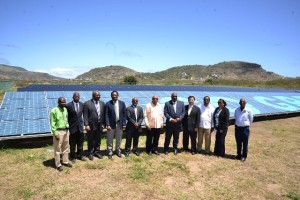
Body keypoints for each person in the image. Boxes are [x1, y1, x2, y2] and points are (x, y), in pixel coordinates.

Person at [50, 97, 72, 172]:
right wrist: (55, 133)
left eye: (64, 102)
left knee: (66, 147)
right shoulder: (54, 111)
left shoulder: (65, 110)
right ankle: (58, 164)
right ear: (58, 102)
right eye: (62, 102)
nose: (64, 104)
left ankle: (65, 161)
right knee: (57, 149)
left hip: (66, 131)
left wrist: (68, 130)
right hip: (59, 132)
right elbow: (52, 123)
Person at [83, 90, 105, 161]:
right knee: (90, 140)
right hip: (91, 125)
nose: (98, 96)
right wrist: (86, 124)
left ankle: (97, 152)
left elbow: (103, 115)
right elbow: (85, 115)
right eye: (97, 95)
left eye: (99, 95)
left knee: (98, 139)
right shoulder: (87, 103)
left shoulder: (102, 103)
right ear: (93, 96)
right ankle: (90, 153)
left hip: (100, 125)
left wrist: (103, 124)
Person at [105, 91, 126, 159]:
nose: (114, 96)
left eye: (115, 95)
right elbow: (106, 115)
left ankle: (117, 150)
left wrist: (124, 123)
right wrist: (107, 124)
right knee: (109, 139)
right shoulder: (108, 104)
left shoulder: (122, 103)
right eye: (113, 95)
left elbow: (124, 114)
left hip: (119, 124)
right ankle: (110, 152)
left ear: (118, 95)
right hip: (110, 125)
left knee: (119, 139)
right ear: (111, 96)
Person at [66, 92, 86, 162]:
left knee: (80, 142)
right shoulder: (68, 105)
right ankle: (72, 156)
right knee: (72, 143)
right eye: (75, 97)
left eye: (78, 97)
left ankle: (80, 155)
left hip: (80, 127)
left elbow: (84, 115)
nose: (77, 98)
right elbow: (67, 117)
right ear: (73, 97)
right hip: (72, 127)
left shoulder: (82, 105)